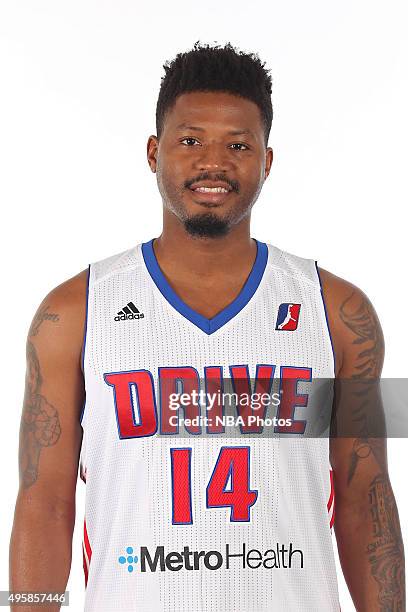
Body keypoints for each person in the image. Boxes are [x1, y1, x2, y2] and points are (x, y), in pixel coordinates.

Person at [9, 41, 405, 611]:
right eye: (190, 140)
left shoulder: (339, 312)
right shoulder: (74, 311)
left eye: (238, 145)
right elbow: (44, 502)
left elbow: (365, 494)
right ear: (153, 151)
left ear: (267, 160)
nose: (213, 162)